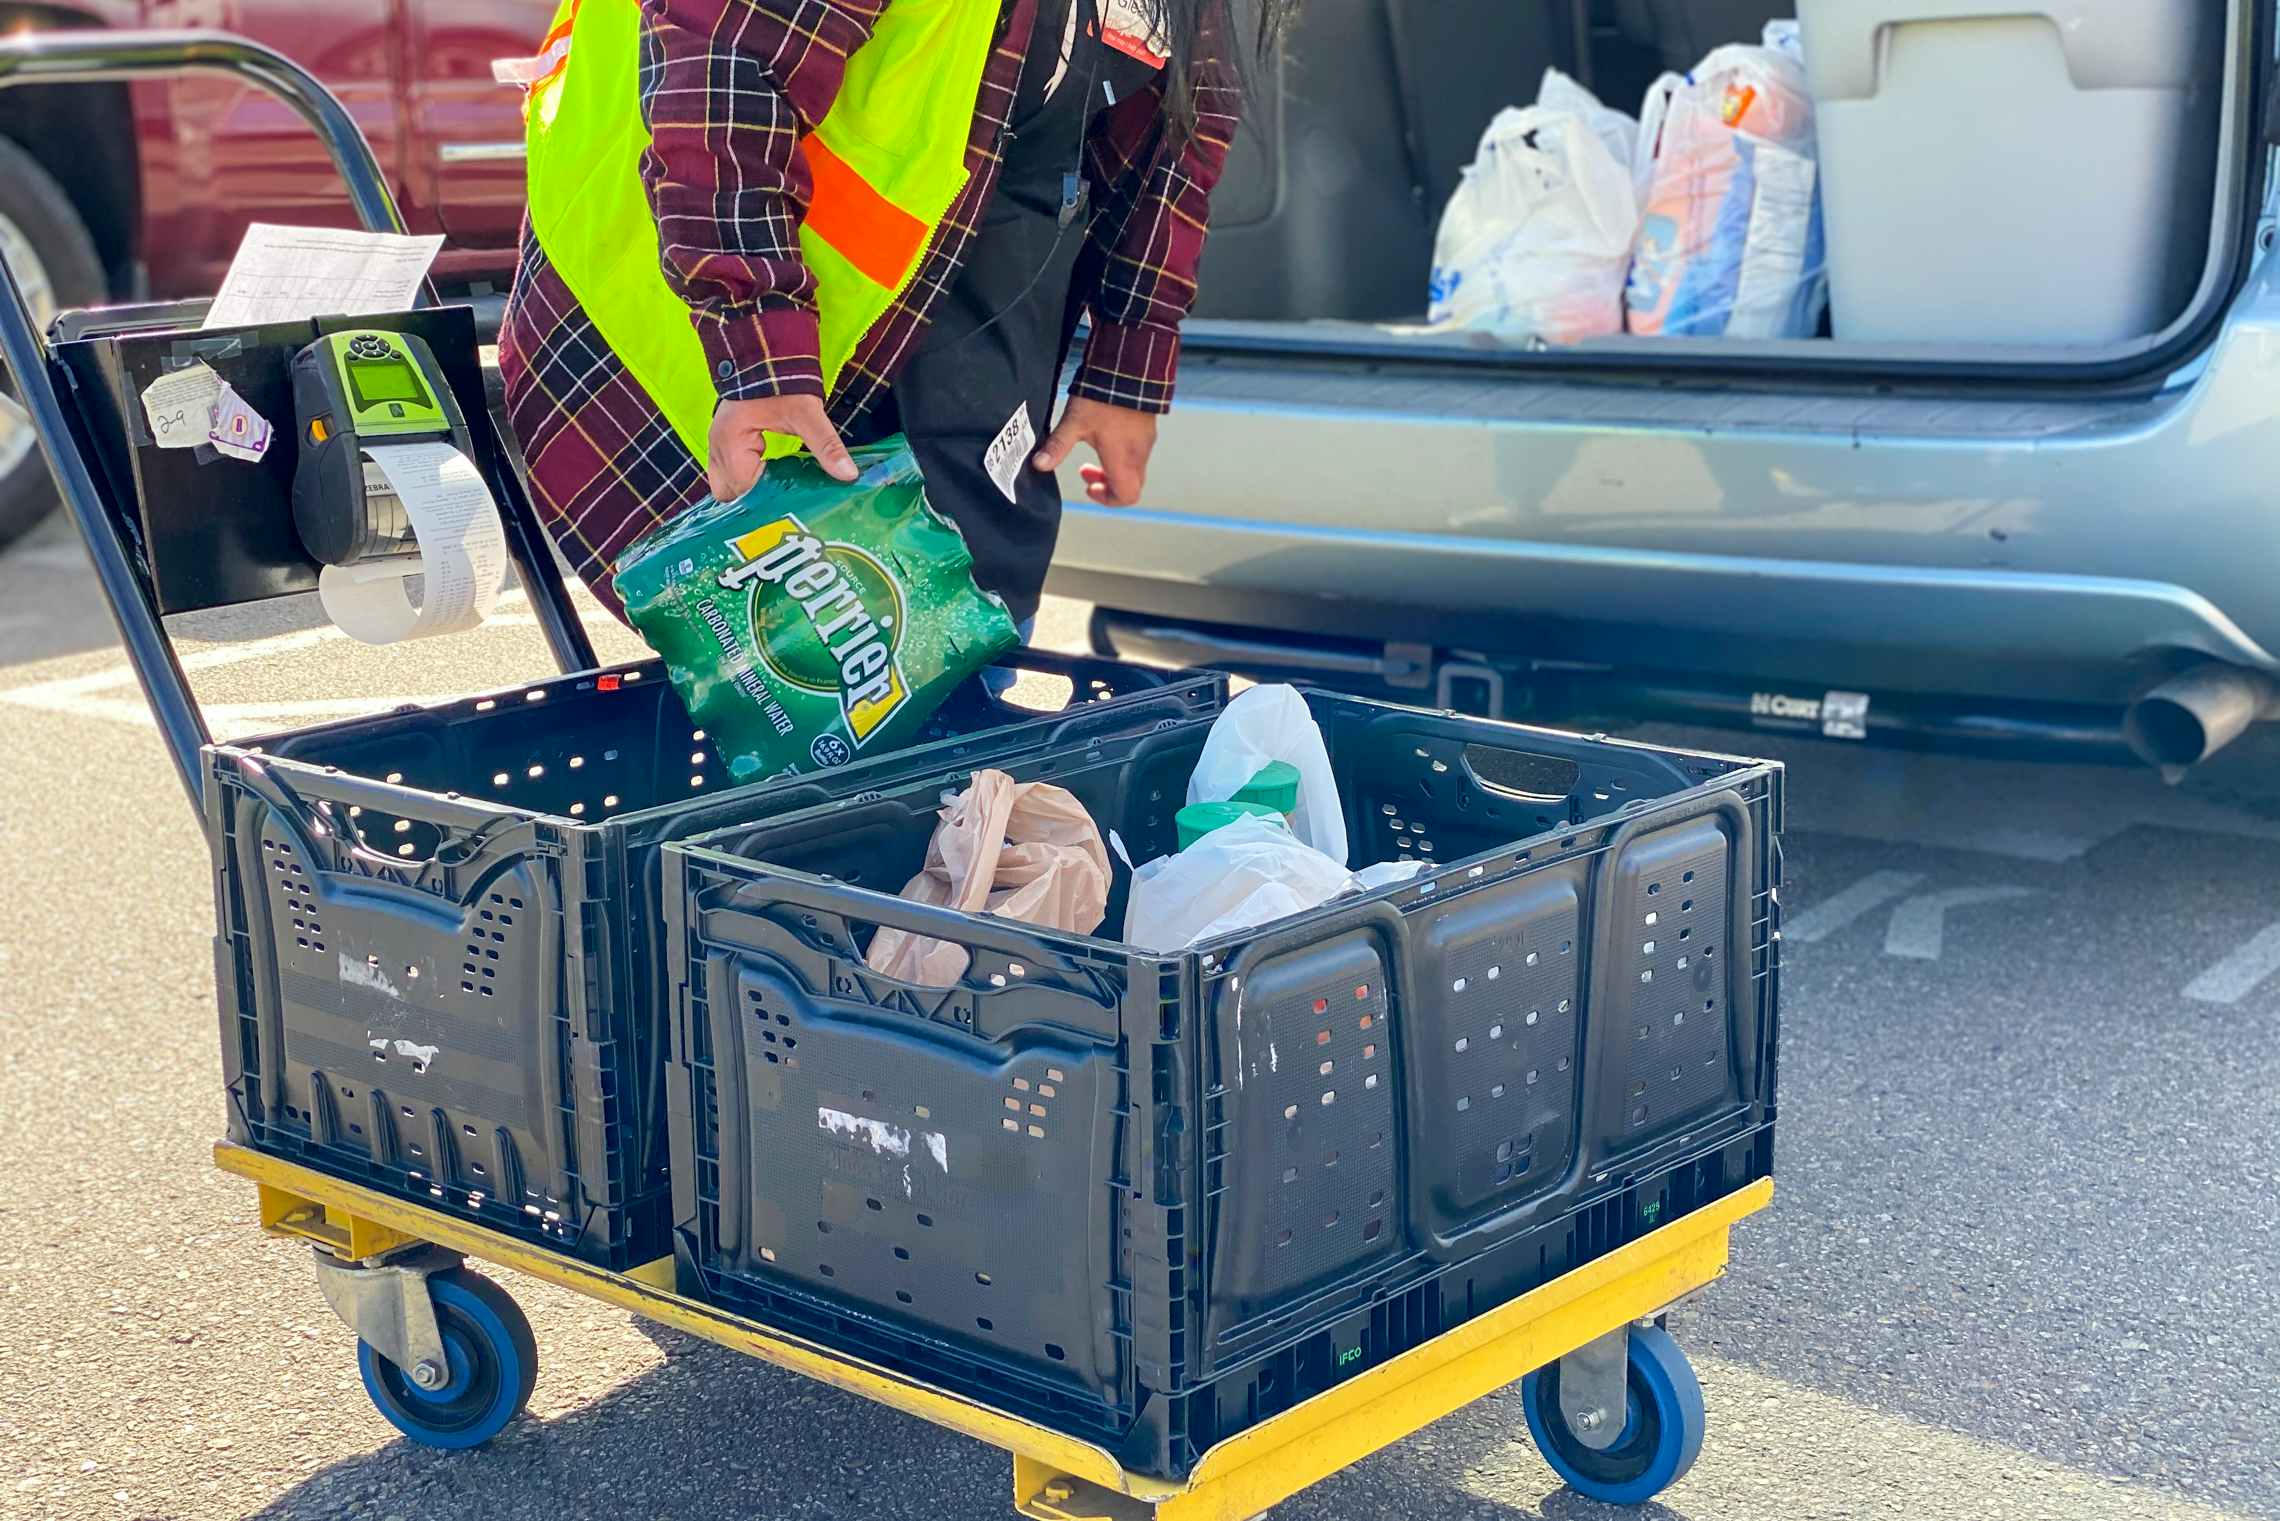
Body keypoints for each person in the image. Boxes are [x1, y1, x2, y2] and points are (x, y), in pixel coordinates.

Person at [500, 0, 1291, 634]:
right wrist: (758, 346)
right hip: (700, 340)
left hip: (955, 368)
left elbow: (1183, 127)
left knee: (955, 689)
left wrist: (1128, 367)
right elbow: (723, 70)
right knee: (778, 724)